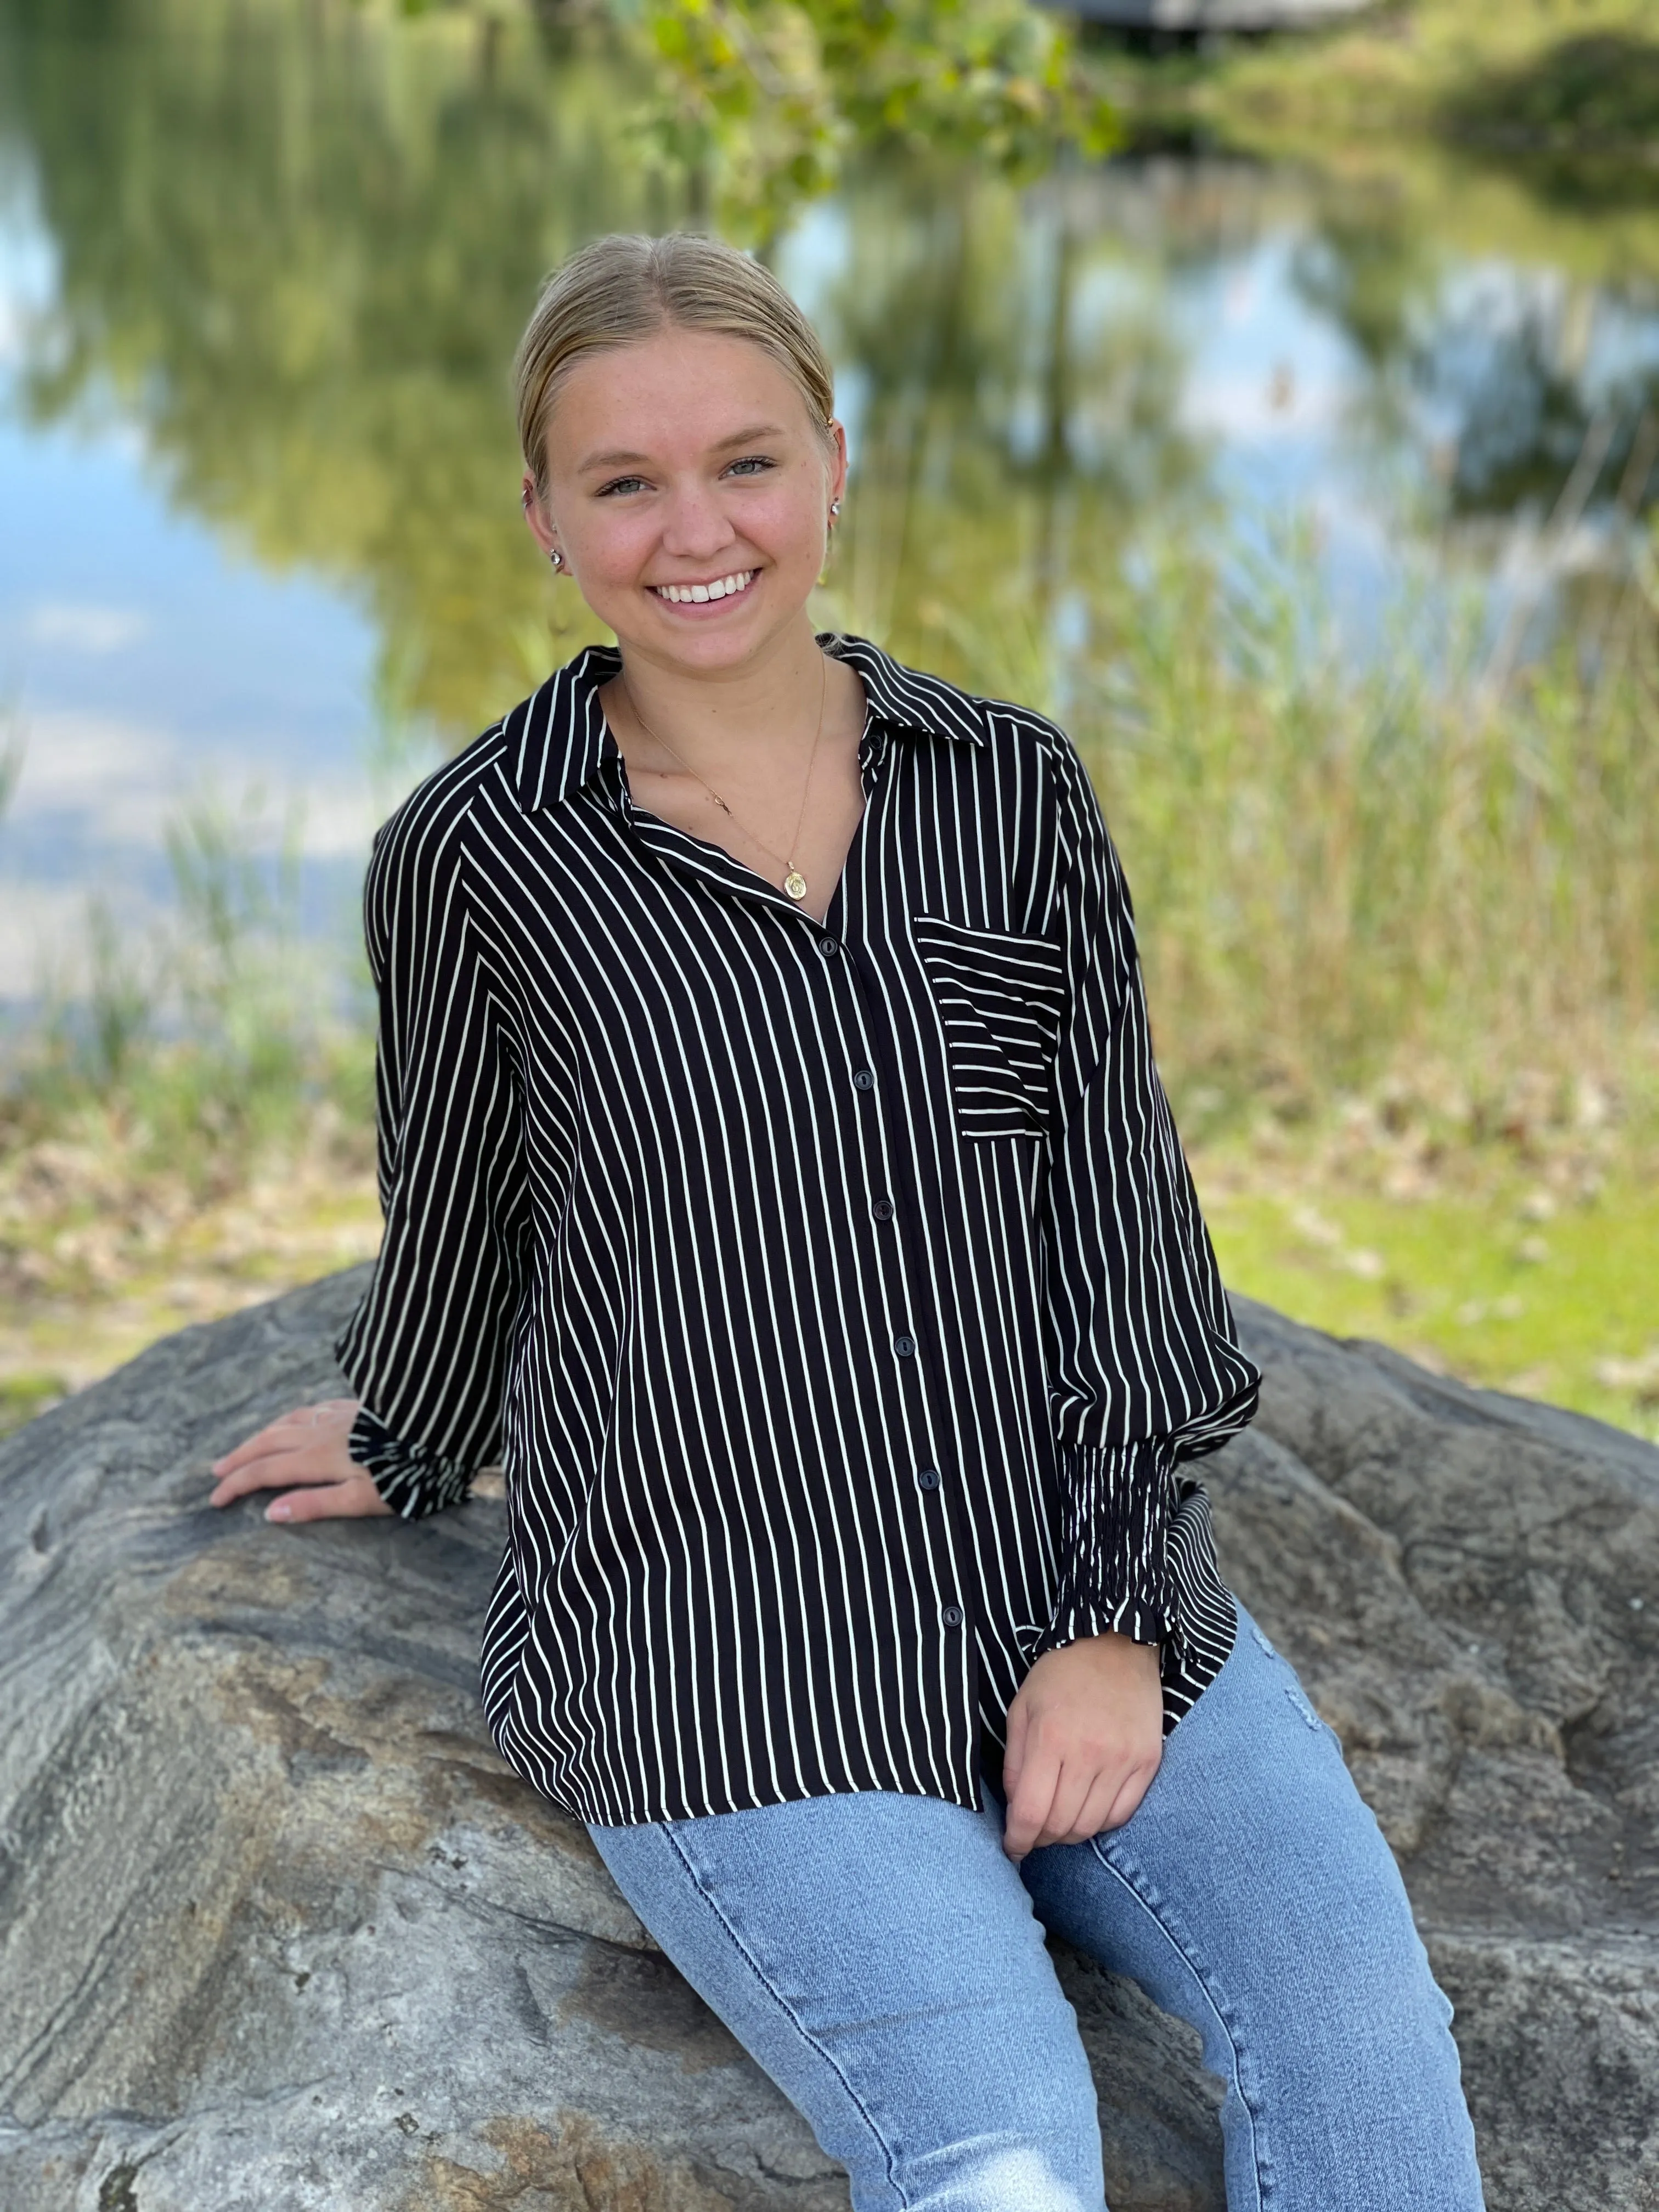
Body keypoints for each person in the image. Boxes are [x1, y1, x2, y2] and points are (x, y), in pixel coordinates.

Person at [210, 232, 1486, 2212]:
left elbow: (1130, 1238)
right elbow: (460, 1198)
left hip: (1061, 1555)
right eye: (622, 482)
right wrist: (408, 1428)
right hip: (726, 1641)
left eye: (746, 462)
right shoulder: (472, 860)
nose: (693, 529)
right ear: (543, 519)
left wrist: (1116, 1620)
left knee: (1361, 2049)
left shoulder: (1010, 790)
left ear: (833, 461)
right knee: (1002, 2159)